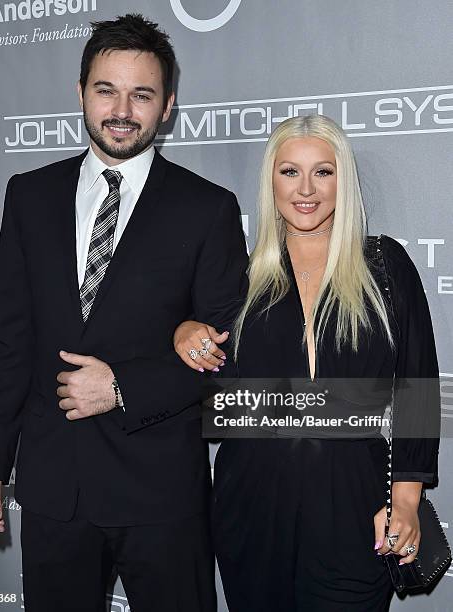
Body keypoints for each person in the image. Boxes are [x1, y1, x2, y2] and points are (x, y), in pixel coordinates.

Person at [0, 14, 248, 612]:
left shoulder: (207, 209)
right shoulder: (29, 195)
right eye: (106, 90)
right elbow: (10, 343)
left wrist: (121, 387)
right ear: (81, 93)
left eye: (141, 94)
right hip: (54, 489)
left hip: (160, 494)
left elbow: (228, 352)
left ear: (167, 106)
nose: (122, 109)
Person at [174, 114, 440, 610]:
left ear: (344, 180)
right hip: (251, 504)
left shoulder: (384, 266)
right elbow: (212, 391)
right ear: (270, 181)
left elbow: (418, 390)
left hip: (354, 504)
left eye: (324, 171)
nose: (307, 190)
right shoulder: (239, 275)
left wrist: (404, 497)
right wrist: (184, 332)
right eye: (290, 171)